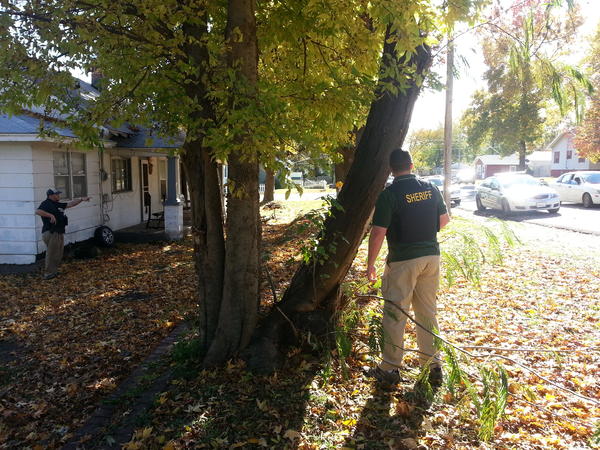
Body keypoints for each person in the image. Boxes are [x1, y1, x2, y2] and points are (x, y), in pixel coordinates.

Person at [366, 149, 450, 386]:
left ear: (391, 169)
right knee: (427, 312)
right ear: (412, 165)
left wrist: (370, 263)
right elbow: (444, 221)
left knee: (395, 314)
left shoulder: (389, 195)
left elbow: (378, 232)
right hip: (431, 258)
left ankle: (390, 369)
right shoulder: (430, 188)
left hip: (403, 261)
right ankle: (433, 366)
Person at [35, 189, 90, 279]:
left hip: (59, 232)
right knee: (52, 253)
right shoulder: (46, 203)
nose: (59, 196)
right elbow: (37, 211)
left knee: (58, 253)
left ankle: (54, 271)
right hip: (51, 232)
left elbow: (70, 204)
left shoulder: (57, 204)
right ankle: (48, 274)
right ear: (51, 195)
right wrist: (50, 215)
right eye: (57, 194)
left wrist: (81, 199)